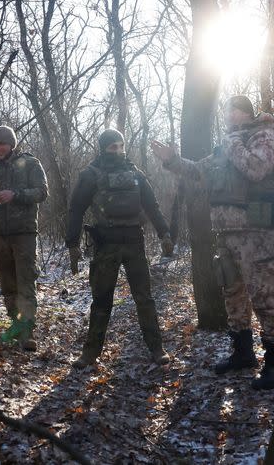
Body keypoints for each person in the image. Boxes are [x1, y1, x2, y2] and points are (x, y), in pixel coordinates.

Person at [151, 95, 274, 390]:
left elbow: (256, 169)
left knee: (265, 297)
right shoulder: (226, 146)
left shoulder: (264, 136)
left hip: (257, 234)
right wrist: (172, 161)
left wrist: (234, 143)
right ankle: (242, 353)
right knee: (233, 295)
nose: (228, 116)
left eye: (234, 111)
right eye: (226, 112)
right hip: (226, 234)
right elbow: (197, 171)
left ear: (247, 113)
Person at [66, 129, 175, 369]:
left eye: (120, 146)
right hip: (106, 244)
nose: (117, 150)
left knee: (144, 299)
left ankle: (157, 348)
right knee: (101, 301)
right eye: (112, 147)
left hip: (135, 242)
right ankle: (90, 353)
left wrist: (164, 233)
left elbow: (152, 206)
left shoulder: (136, 174)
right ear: (103, 148)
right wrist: (72, 243)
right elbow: (75, 209)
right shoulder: (91, 175)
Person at [0, 125, 48, 351]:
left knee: (26, 281)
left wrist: (15, 195)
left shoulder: (30, 163)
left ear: (12, 144)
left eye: (3, 143)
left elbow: (42, 192)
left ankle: (27, 333)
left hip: (24, 232)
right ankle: (15, 324)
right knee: (7, 282)